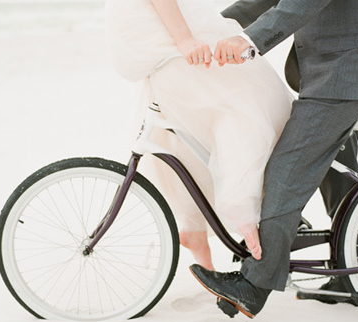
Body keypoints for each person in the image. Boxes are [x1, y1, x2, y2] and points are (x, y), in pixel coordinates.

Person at [190, 0, 358, 318]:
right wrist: (206, 30)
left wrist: (247, 39)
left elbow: (301, 4)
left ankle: (254, 285)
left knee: (286, 169)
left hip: (346, 73)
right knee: (335, 171)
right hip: (339, 72)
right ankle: (353, 265)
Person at [104, 0, 293, 269]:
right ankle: (242, 209)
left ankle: (194, 229)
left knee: (184, 124)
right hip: (161, 26)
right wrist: (184, 40)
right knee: (245, 102)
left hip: (150, 25)